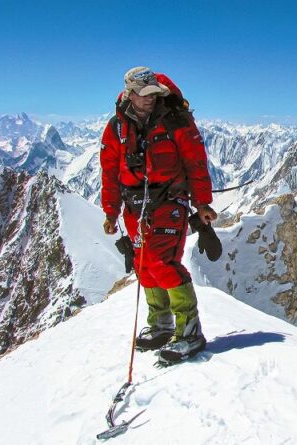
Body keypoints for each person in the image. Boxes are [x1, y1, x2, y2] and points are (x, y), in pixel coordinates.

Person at [100, 66, 217, 362]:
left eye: (154, 93)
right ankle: (161, 325)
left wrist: (202, 203)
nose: (150, 98)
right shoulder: (116, 127)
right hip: (134, 207)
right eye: (144, 94)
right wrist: (111, 212)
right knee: (144, 265)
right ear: (130, 93)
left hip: (169, 201)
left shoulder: (175, 120)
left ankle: (189, 330)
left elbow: (195, 162)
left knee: (161, 261)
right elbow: (109, 171)